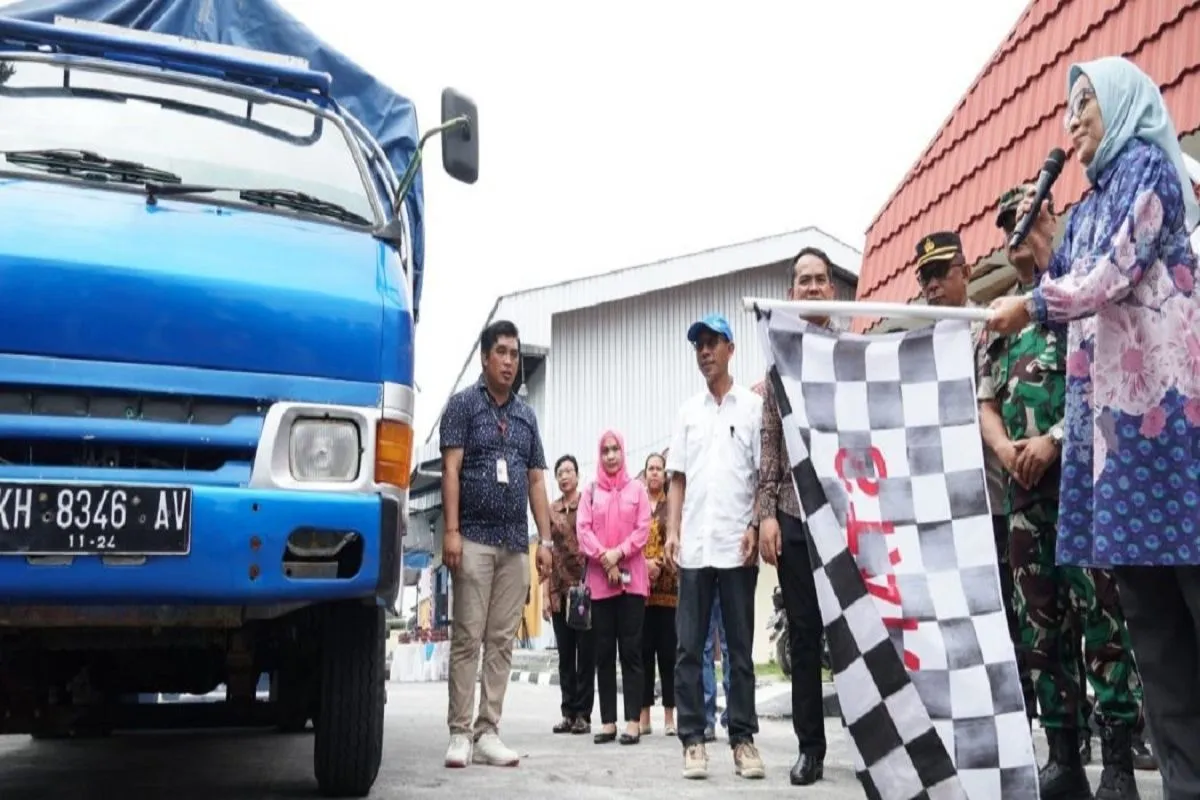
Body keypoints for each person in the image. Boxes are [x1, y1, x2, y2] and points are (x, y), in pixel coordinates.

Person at [987, 56, 1200, 798]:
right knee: (1155, 634)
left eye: (1085, 102)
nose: (1071, 118)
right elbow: (1059, 278)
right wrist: (1035, 249)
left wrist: (1035, 303)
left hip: (1171, 436)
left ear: (1122, 102)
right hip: (1114, 452)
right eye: (1066, 107)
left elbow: (1109, 276)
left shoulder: (1150, 169)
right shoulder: (1088, 205)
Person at [982, 184, 1143, 800]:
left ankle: (1121, 761)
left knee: (1101, 617)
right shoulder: (1000, 318)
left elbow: (1107, 372)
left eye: (1021, 218)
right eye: (1003, 227)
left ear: (1050, 214)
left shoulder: (1083, 289)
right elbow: (986, 400)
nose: (1012, 234)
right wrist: (1004, 449)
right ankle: (1062, 756)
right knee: (1038, 625)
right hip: (1025, 498)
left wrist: (1052, 439)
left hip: (1085, 483)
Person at [916, 229, 1036, 716]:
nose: (931, 285)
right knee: (957, 618)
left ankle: (1025, 711)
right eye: (924, 276)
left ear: (965, 271)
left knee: (1013, 611)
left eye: (941, 272)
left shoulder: (990, 327)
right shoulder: (917, 348)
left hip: (995, 496)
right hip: (944, 506)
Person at [439, 319, 554, 769]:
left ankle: (488, 731)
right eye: (501, 352)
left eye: (514, 353)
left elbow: (536, 479)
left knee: (502, 639)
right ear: (485, 357)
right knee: (468, 636)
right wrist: (450, 531)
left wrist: (545, 540)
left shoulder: (527, 415)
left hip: (513, 544)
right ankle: (459, 734)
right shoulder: (462, 406)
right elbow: (450, 471)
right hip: (472, 539)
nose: (509, 361)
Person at [665, 312, 765, 781]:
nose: (704, 352)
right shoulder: (687, 412)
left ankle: (742, 739)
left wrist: (755, 523)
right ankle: (693, 740)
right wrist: (671, 531)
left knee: (740, 649)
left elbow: (762, 476)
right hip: (695, 550)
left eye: (712, 343)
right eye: (698, 345)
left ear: (731, 348)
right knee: (689, 649)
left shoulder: (752, 407)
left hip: (736, 544)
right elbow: (677, 479)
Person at [755, 246, 841, 786]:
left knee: (861, 633)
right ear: (791, 294)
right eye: (802, 281)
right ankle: (812, 749)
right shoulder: (777, 360)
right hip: (791, 514)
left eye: (819, 280)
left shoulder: (853, 351)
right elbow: (770, 444)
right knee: (805, 634)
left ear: (832, 290)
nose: (811, 288)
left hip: (848, 513)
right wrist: (765, 513)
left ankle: (879, 746)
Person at [577, 430, 652, 745]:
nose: (610, 455)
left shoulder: (637, 489)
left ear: (623, 452)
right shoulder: (590, 492)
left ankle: (633, 721)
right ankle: (608, 721)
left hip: (631, 582)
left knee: (631, 652)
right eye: (605, 450)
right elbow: (582, 530)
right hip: (600, 583)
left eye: (615, 449)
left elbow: (643, 529)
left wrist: (617, 554)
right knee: (603, 652)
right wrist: (604, 560)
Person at [544, 453, 595, 735]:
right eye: (560, 472)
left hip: (585, 591)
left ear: (577, 475)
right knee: (565, 655)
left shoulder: (588, 504)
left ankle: (584, 715)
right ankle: (568, 712)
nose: (564, 476)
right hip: (558, 591)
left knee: (585, 654)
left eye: (568, 471)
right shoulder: (550, 511)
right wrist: (545, 593)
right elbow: (547, 553)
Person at [639, 452, 678, 737]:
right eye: (650, 468)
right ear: (644, 473)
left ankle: (669, 716)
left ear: (665, 474)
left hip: (668, 593)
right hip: (640, 593)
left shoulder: (672, 506)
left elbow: (678, 539)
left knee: (667, 655)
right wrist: (644, 565)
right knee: (642, 656)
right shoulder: (637, 506)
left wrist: (659, 565)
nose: (654, 473)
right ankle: (642, 716)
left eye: (659, 469)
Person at [701, 596, 730, 742]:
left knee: (731, 646)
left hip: (730, 576)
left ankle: (733, 718)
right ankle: (708, 719)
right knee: (705, 648)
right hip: (704, 577)